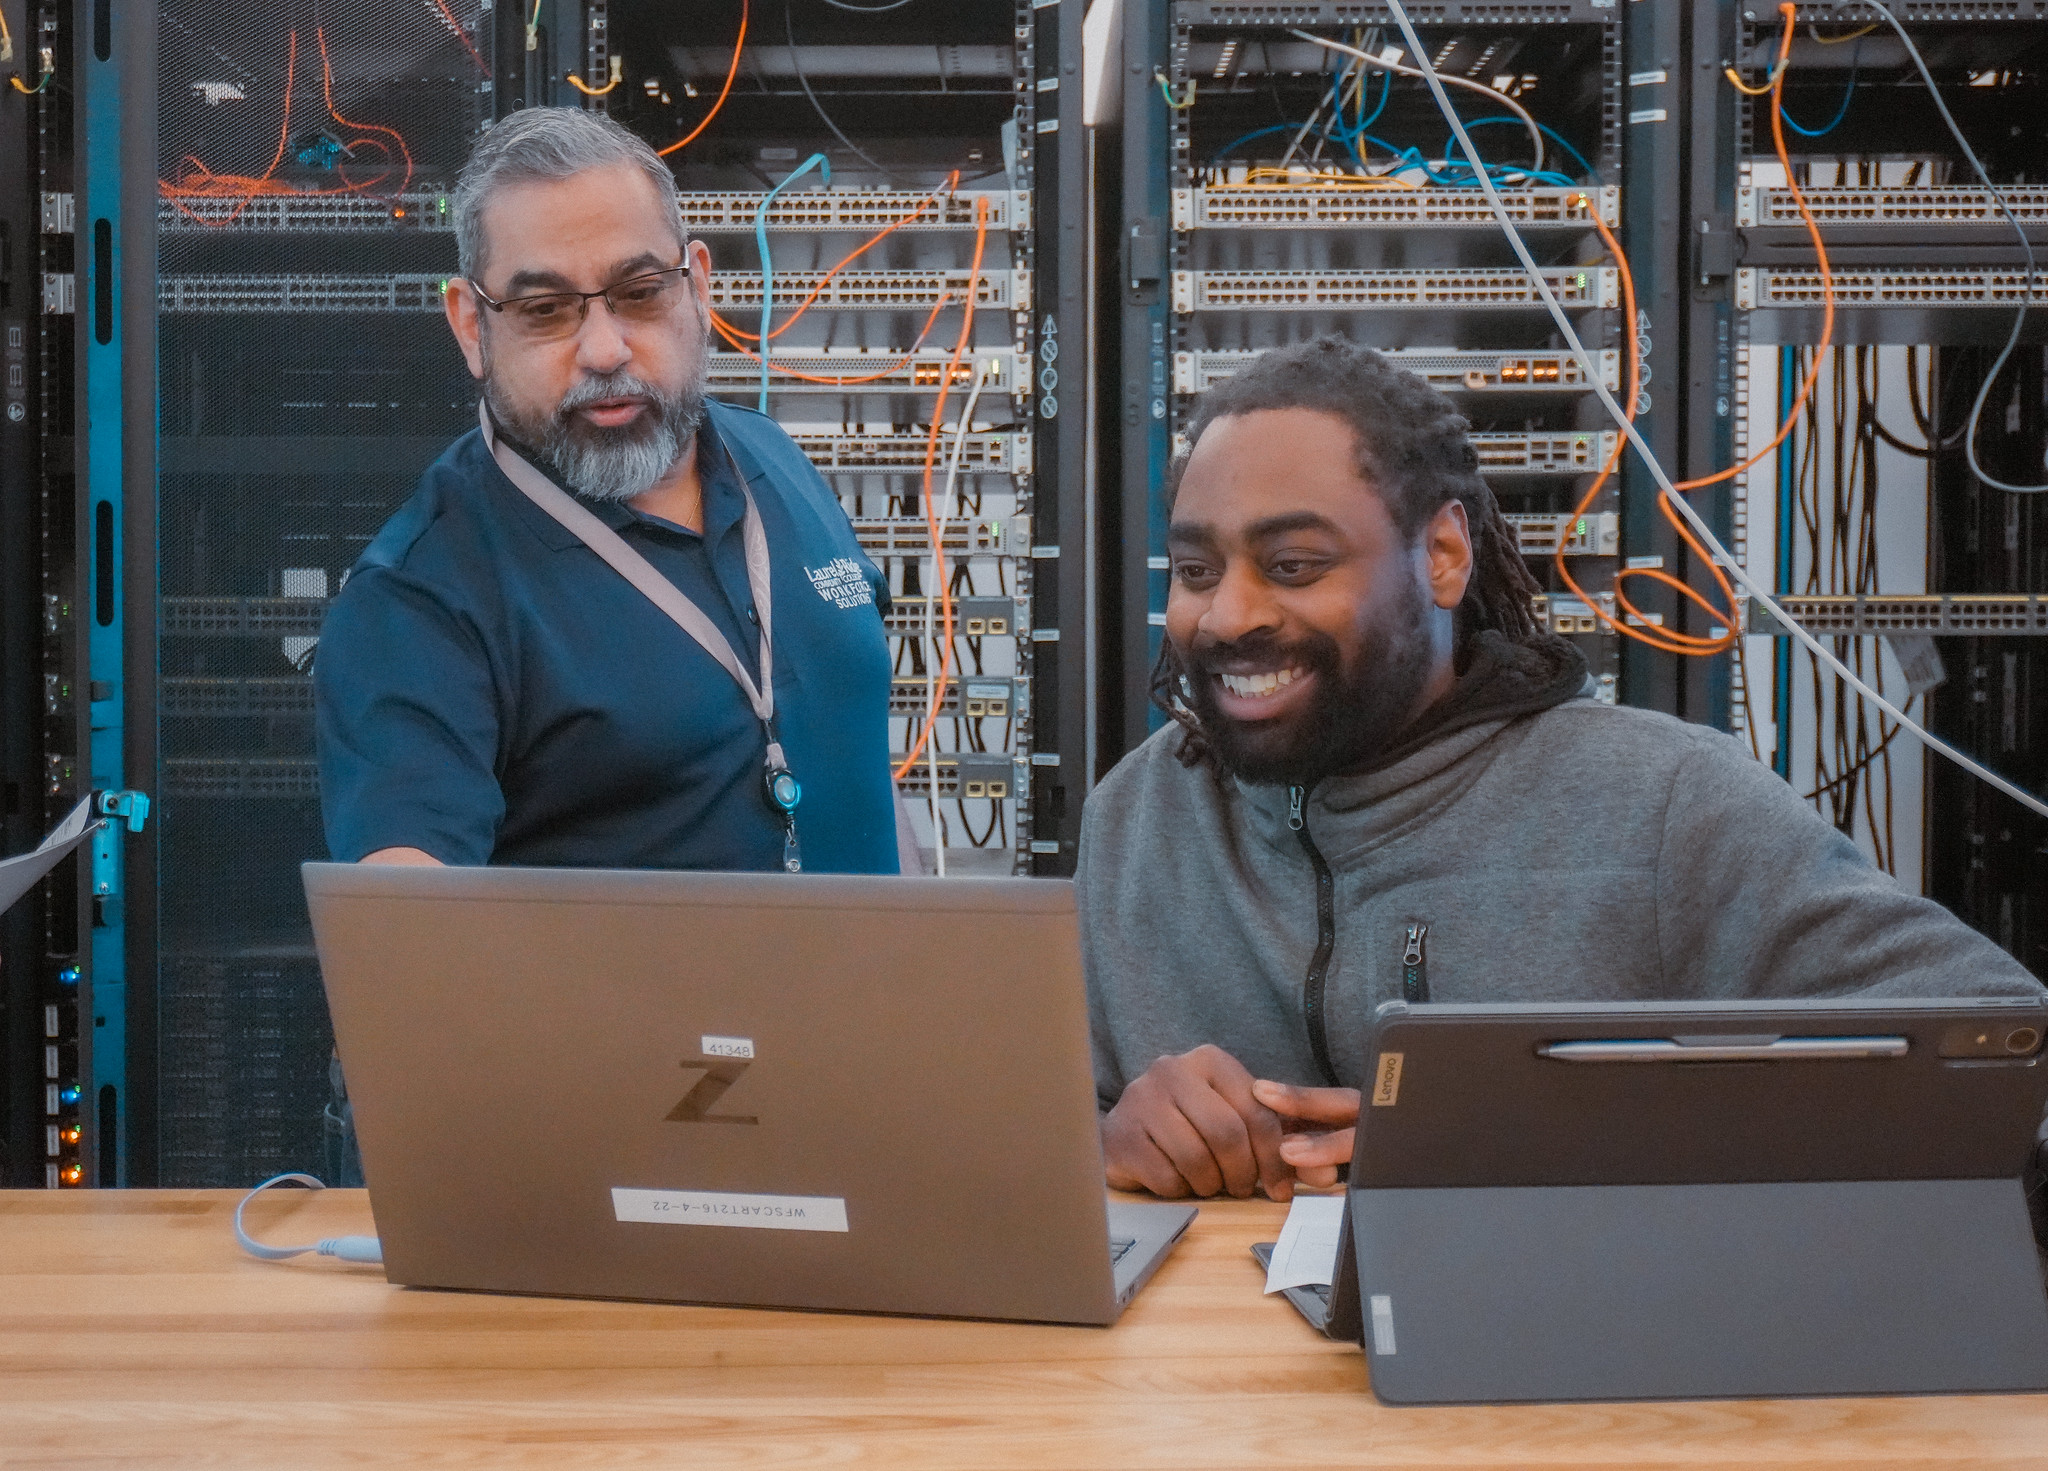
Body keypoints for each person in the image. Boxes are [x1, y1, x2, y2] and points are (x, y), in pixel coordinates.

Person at [1079, 337, 2045, 1203]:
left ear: (1445, 554)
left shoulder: (1664, 805)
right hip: (1213, 1394)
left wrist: (1514, 1145)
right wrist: (1107, 1141)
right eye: (1197, 571)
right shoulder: (1133, 820)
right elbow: (998, 1148)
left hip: (1557, 1388)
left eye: (1292, 564)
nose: (1227, 614)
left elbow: (2000, 1056)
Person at [315, 107, 903, 874]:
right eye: (544, 310)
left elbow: (847, 741)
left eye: (640, 291)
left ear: (697, 286)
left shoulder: (773, 459)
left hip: (879, 993)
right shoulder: (421, 602)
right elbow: (412, 945)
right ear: (470, 327)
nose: (603, 348)